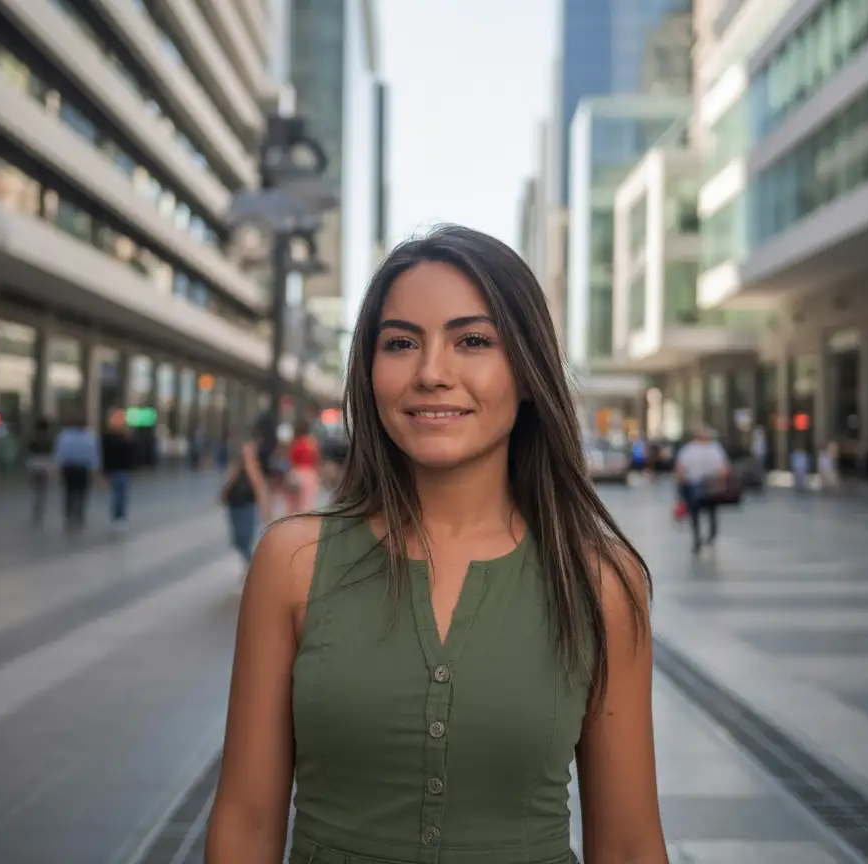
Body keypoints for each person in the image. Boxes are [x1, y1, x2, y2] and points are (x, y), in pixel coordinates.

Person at [205, 225, 666, 863]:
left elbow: (630, 846)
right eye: (400, 344)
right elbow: (245, 825)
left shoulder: (601, 581)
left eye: (472, 340)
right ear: (369, 374)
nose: (431, 373)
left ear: (529, 372)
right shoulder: (292, 564)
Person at [220, 419, 271, 565]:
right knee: (239, 540)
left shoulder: (251, 464)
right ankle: (251, 565)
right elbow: (232, 477)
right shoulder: (239, 462)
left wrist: (265, 507)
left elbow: (258, 484)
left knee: (243, 538)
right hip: (237, 501)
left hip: (246, 502)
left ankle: (252, 566)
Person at [674, 424, 731, 554]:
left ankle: (697, 538)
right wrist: (722, 482)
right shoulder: (715, 449)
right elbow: (724, 469)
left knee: (695, 513)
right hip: (712, 484)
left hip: (693, 484)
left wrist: (680, 485)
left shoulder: (688, 450)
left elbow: (680, 470)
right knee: (712, 511)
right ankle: (711, 535)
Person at [53, 414, 100, 531]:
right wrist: (95, 470)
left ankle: (68, 516)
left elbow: (59, 454)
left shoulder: (64, 436)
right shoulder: (89, 437)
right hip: (83, 468)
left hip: (69, 468)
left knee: (69, 492)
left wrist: (57, 469)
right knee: (82, 493)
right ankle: (79, 516)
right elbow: (93, 455)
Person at [100, 408, 136, 531]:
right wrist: (104, 472)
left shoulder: (126, 435)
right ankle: (117, 517)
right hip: (113, 469)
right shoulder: (107, 436)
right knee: (116, 495)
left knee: (122, 494)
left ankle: (121, 517)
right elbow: (105, 454)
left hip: (123, 469)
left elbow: (131, 452)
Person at [285, 419, 321, 513]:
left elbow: (290, 459)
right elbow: (317, 459)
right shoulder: (312, 443)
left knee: (293, 504)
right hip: (310, 474)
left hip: (296, 472)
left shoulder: (294, 443)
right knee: (307, 505)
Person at [26, 417, 56, 525]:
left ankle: (35, 510)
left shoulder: (33, 438)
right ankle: (40, 510)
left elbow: (30, 452)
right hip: (45, 466)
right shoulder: (49, 439)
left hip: (34, 466)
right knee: (43, 491)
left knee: (35, 490)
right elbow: (52, 454)